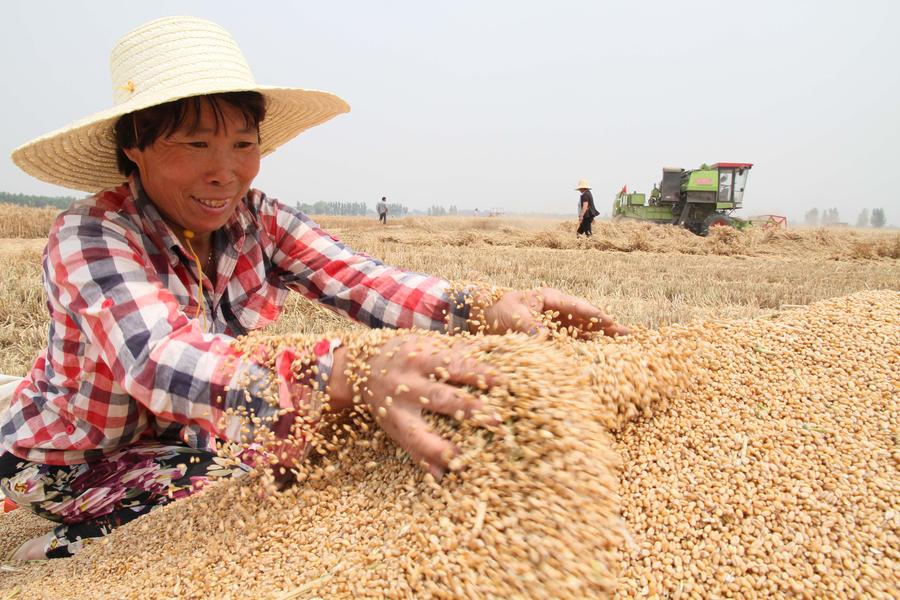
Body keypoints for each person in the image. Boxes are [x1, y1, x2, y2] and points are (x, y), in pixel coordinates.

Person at [0, 17, 627, 560]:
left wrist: (480, 308)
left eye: (244, 145)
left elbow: (362, 279)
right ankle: (65, 550)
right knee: (232, 483)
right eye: (195, 144)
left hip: (183, 434)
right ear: (134, 146)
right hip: (73, 454)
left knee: (288, 456)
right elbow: (162, 361)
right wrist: (345, 373)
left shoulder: (257, 218)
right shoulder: (90, 235)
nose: (226, 171)